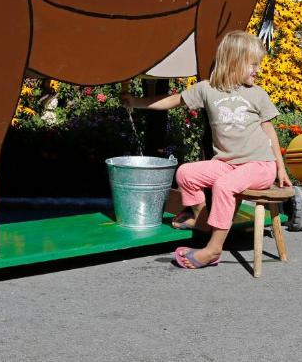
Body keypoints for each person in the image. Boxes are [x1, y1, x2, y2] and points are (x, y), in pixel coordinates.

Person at [121, 30, 291, 270]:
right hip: (227, 164)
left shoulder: (257, 94)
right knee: (186, 173)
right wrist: (137, 102)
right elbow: (173, 100)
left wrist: (280, 169)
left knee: (224, 186)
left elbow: (270, 132)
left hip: (259, 165)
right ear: (235, 62)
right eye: (253, 64)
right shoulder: (207, 89)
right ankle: (203, 221)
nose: (258, 70)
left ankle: (213, 250)